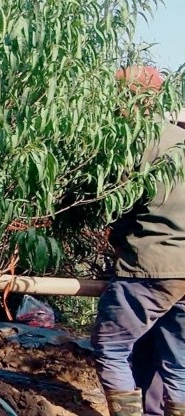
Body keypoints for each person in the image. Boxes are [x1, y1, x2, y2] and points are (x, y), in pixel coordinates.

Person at [92, 66, 185, 416]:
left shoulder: (137, 143)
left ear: (130, 98)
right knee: (179, 364)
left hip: (151, 267)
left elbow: (119, 207)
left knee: (111, 346)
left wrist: (117, 239)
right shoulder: (181, 140)